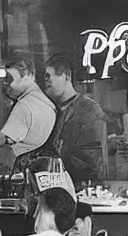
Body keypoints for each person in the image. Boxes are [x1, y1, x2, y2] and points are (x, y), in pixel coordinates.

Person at [0, 58, 56, 172]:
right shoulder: (45, 102)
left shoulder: (24, 106)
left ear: (28, 76)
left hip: (19, 168)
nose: (7, 84)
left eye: (10, 79)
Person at [41, 53, 107, 186]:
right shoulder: (55, 112)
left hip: (84, 191)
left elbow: (92, 161)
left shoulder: (89, 109)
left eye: (49, 76)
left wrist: (50, 162)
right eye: (45, 77)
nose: (46, 81)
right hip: (60, 189)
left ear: (67, 76)